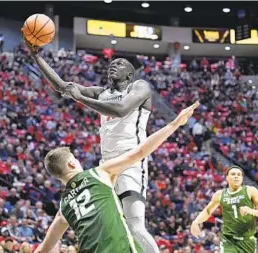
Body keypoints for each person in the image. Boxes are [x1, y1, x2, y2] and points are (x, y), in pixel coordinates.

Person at [25, 37, 158, 252]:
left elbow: (121, 110)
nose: (114, 65)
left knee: (135, 226)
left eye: (121, 64)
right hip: (106, 166)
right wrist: (36, 56)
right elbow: (61, 86)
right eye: (112, 63)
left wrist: (80, 98)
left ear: (130, 75)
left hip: (130, 162)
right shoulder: (100, 93)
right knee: (111, 225)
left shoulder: (139, 87)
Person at [35, 102, 199, 253]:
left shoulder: (63, 209)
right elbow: (140, 152)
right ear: (71, 164)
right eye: (75, 159)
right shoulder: (98, 174)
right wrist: (175, 123)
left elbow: (44, 249)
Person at [190, 165, 258, 253]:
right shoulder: (220, 194)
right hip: (228, 240)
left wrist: (251, 211)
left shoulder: (250, 191)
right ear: (227, 178)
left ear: (242, 178)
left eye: (239, 175)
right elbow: (207, 211)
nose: (236, 176)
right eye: (233, 174)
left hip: (247, 240)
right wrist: (196, 222)